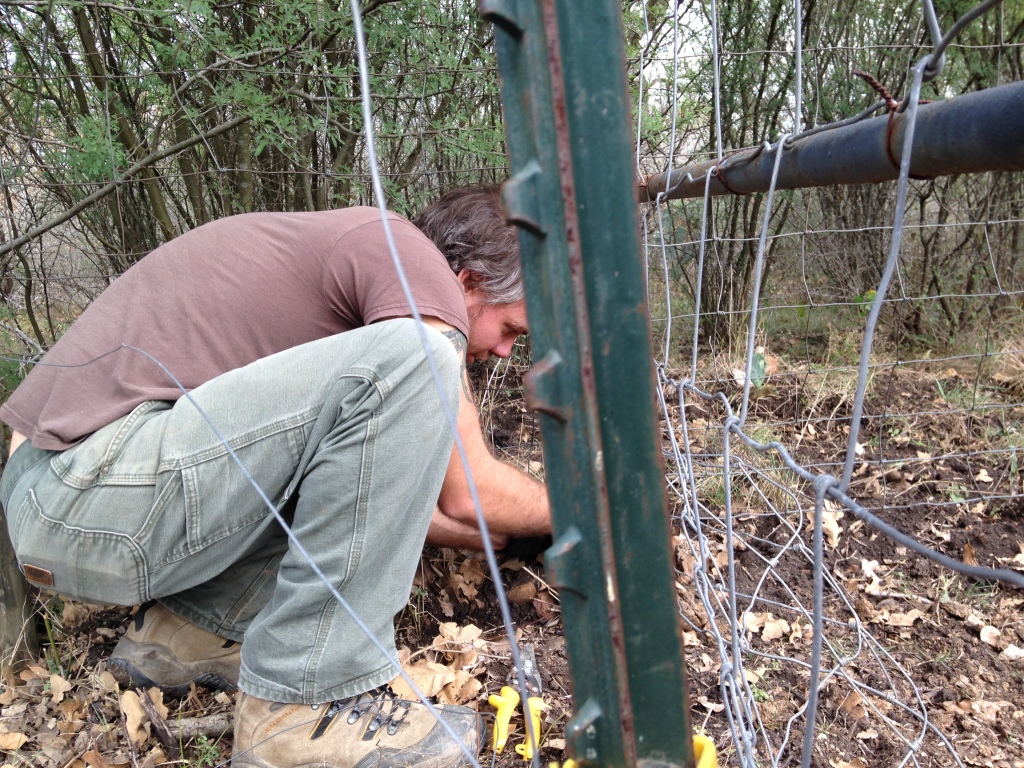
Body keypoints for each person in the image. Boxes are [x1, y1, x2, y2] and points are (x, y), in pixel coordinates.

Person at [0, 186, 551, 768]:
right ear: (465, 282)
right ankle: (304, 709)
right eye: (511, 328)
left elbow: (379, 498)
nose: (506, 352)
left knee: (331, 445)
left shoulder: (350, 267)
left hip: (59, 499)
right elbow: (468, 492)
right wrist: (581, 513)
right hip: (86, 487)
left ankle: (189, 633)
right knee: (420, 356)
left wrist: (504, 533)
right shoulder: (407, 258)